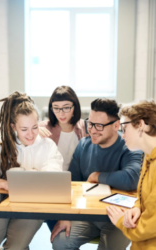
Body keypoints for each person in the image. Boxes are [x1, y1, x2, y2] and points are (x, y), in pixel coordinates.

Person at [0, 91, 63, 250]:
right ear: (13, 127)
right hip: (1, 206)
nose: (30, 134)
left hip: (32, 208)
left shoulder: (47, 146)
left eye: (34, 127)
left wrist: (30, 176)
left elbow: (53, 175)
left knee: (15, 247)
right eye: (24, 129)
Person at [51, 98, 142, 250]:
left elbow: (131, 178)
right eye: (90, 123)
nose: (92, 130)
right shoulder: (83, 145)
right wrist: (65, 216)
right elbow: (71, 183)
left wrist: (97, 176)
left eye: (99, 126)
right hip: (88, 215)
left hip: (118, 218)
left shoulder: (130, 146)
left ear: (116, 125)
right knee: (60, 243)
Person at [107, 100, 156, 250]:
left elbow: (152, 223)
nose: (122, 136)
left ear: (140, 125)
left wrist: (121, 222)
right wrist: (137, 208)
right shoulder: (148, 156)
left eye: (124, 128)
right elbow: (146, 199)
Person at [39, 86, 87, 171]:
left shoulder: (85, 127)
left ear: (74, 107)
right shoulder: (42, 127)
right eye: (56, 108)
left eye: (66, 107)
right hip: (52, 179)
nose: (61, 113)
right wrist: (34, 130)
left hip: (78, 181)